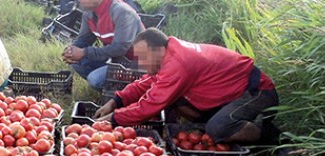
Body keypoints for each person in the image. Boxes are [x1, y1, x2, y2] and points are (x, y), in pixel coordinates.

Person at [94, 28, 279, 143]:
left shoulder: (178, 63)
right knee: (175, 100)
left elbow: (148, 107)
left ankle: (271, 135)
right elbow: (148, 83)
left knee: (217, 129)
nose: (140, 64)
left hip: (257, 92)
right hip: (228, 94)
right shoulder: (170, 54)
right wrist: (116, 101)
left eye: (143, 57)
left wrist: (113, 118)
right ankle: (218, 123)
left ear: (158, 50)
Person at [63, 0, 144, 90]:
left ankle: (126, 93)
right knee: (77, 62)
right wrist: (71, 51)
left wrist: (84, 52)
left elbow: (120, 48)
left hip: (136, 65)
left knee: (95, 79)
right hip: (116, 61)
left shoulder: (122, 12)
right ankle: (112, 91)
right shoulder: (89, 14)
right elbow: (83, 39)